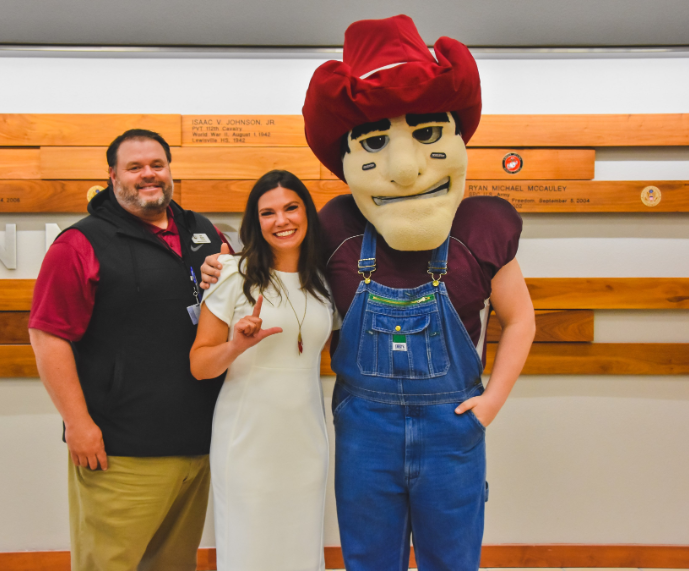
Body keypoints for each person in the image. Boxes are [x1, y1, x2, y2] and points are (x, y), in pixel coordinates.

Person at [203, 16, 537, 571]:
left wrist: (492, 402)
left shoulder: (481, 226)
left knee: (451, 559)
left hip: (451, 423)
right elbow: (280, 259)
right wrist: (229, 268)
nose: (404, 168)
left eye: (428, 134)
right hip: (365, 430)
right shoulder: (336, 226)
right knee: (368, 559)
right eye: (377, 142)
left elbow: (520, 318)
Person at [28, 128, 231, 571]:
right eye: (135, 167)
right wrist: (78, 424)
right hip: (120, 451)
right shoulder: (80, 244)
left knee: (174, 564)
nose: (148, 175)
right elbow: (48, 336)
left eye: (157, 165)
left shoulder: (204, 232)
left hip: (198, 444)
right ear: (112, 176)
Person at [190, 170, 335, 571]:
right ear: (256, 223)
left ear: (307, 213)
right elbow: (200, 365)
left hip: (307, 439)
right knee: (249, 548)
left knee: (301, 549)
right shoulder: (234, 275)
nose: (281, 220)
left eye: (291, 208)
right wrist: (236, 346)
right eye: (268, 213)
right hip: (247, 439)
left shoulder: (322, 280)